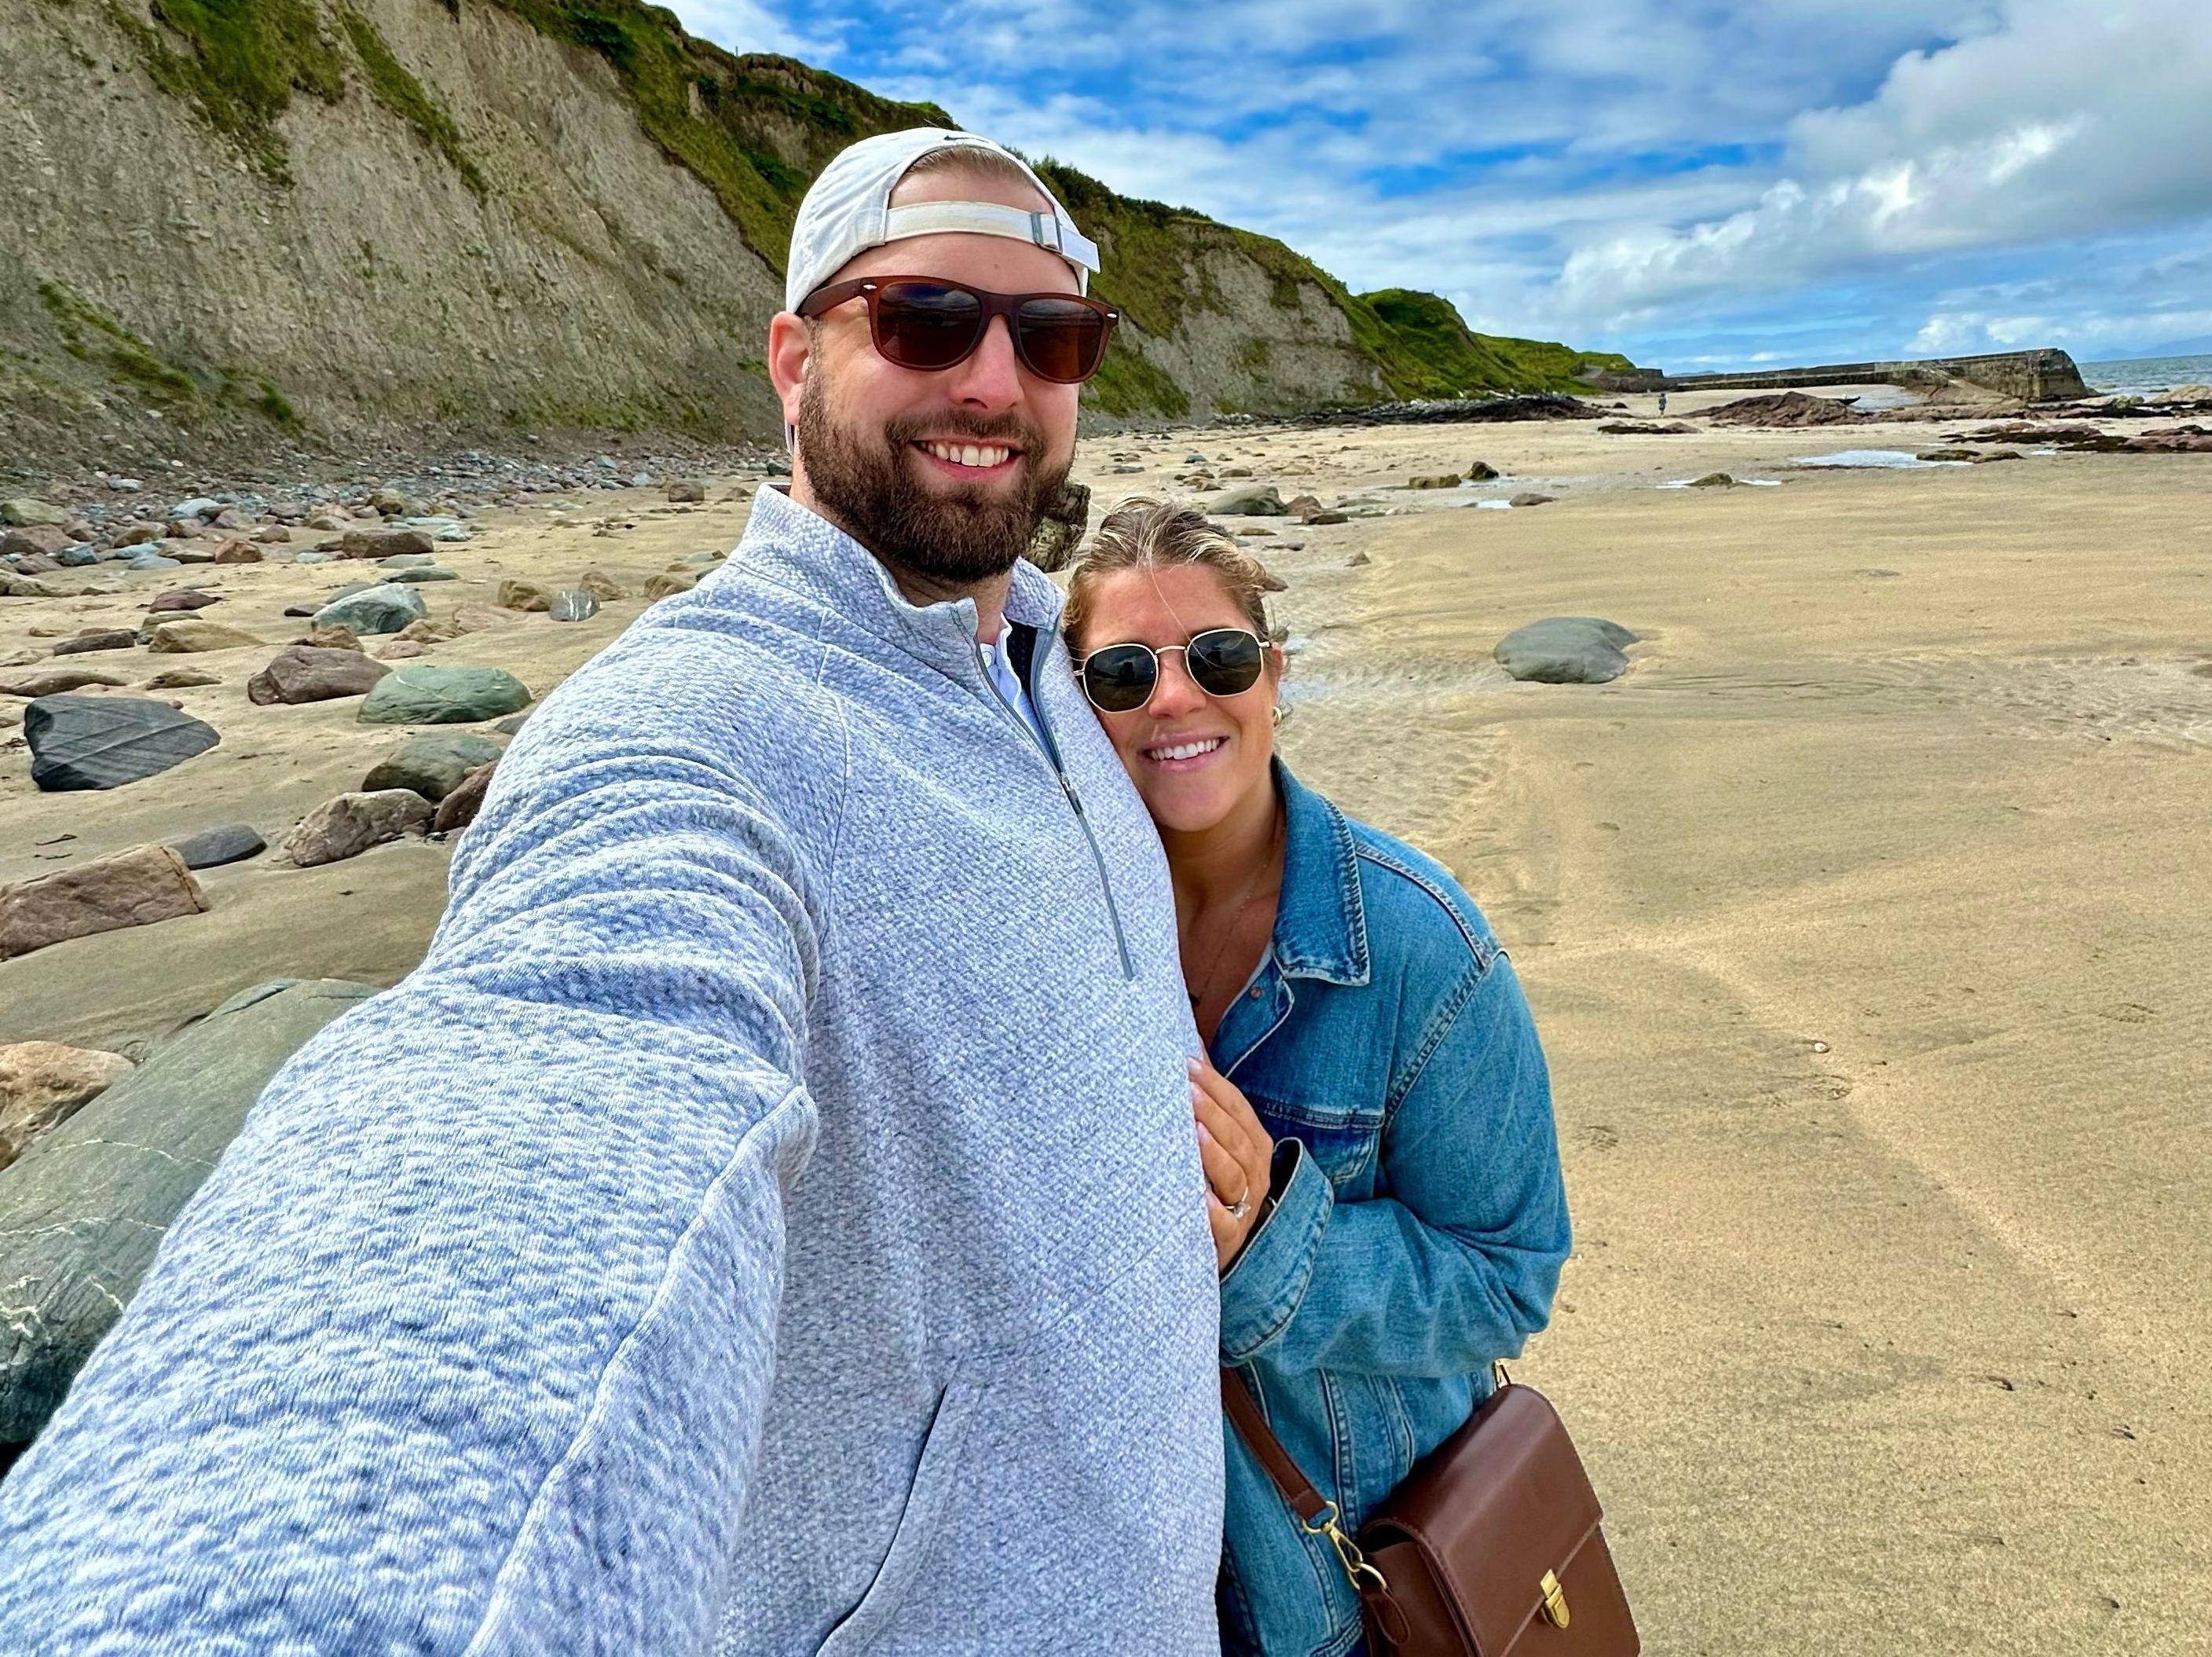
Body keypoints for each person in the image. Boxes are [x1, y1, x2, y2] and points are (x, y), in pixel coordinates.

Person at [0, 131, 1225, 1655]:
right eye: (922, 319)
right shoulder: (680, 736)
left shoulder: (1069, 663)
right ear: (793, 358)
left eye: (1050, 336)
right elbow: (550, 1091)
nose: (992, 379)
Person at [1062, 500, 1572, 1657]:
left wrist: (1269, 1248)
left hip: (1334, 1587)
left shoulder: (1419, 948)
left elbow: (1506, 1278)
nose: (1176, 699)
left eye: (1218, 658)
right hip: (1126, 1584)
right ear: (1075, 707)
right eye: (1124, 674)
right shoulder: (1054, 942)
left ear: (1273, 675)